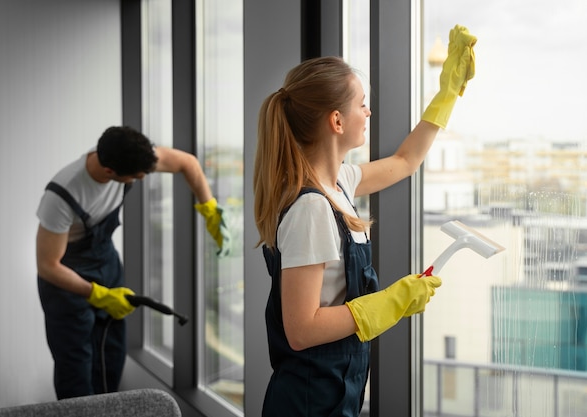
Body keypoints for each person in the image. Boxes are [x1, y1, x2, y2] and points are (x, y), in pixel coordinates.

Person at [254, 25, 476, 416]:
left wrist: (447, 94)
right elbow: (301, 329)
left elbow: (406, 161)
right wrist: (391, 301)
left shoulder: (339, 181)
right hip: (308, 402)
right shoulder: (311, 208)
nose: (369, 112)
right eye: (362, 104)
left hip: (337, 392)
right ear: (337, 121)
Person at [36, 125, 230, 399]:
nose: (142, 178)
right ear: (110, 173)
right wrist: (97, 294)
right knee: (76, 371)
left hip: (105, 262)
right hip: (65, 280)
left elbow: (188, 163)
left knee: (110, 359)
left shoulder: (132, 155)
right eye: (137, 177)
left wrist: (208, 208)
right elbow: (47, 265)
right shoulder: (62, 195)